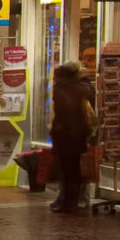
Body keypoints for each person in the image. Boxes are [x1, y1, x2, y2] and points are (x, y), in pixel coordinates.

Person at [50, 61, 95, 213]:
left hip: (64, 136)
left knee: (66, 170)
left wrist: (57, 131)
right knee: (74, 170)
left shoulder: (60, 90)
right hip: (79, 135)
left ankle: (67, 201)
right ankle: (72, 201)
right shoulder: (82, 89)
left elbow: (62, 114)